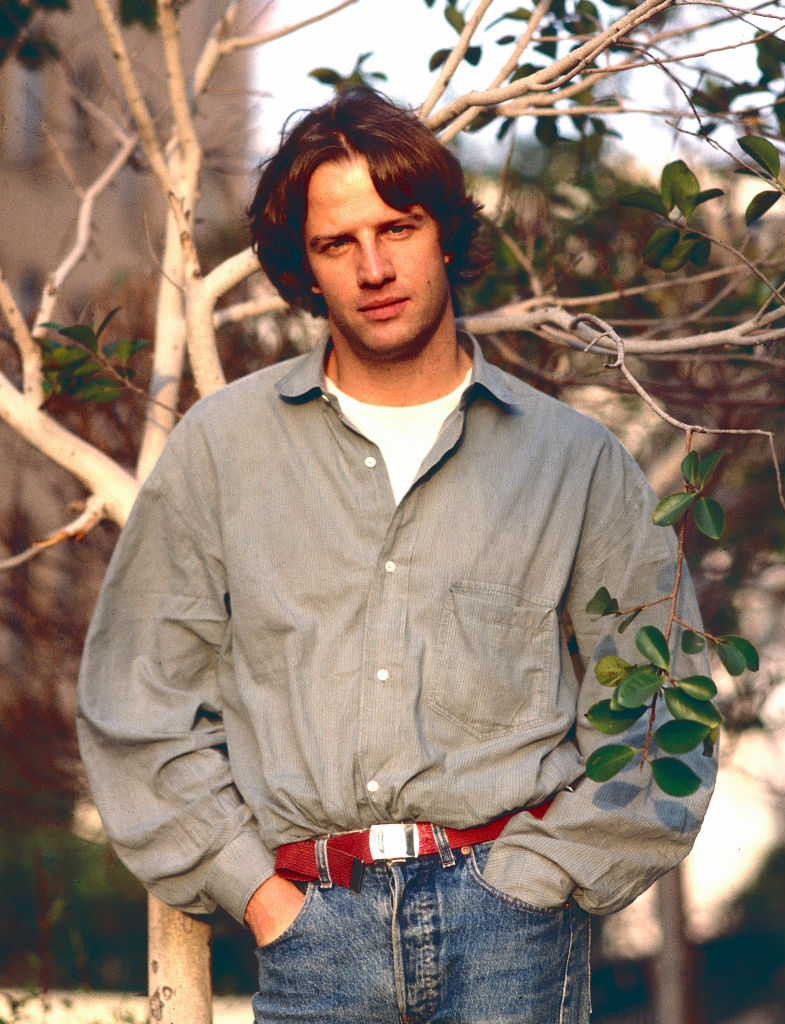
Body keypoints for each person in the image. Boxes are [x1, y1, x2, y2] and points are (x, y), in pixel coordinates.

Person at [77, 89, 716, 1023]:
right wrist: (258, 893)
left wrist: (540, 879)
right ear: (304, 266)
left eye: (397, 228)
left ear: (444, 233)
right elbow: (136, 703)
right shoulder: (222, 450)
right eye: (337, 243)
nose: (374, 267)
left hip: (515, 937)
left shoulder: (575, 461)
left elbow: (667, 708)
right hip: (311, 934)